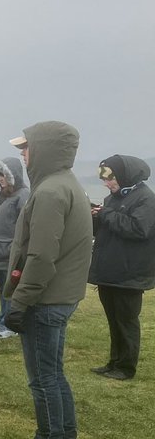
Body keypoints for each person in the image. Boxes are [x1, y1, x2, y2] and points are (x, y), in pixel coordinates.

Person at [0, 121, 93, 439]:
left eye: (27, 147)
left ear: (46, 148)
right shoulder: (66, 185)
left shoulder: (51, 192)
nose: (23, 154)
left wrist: (20, 302)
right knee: (54, 375)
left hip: (45, 300)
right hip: (57, 296)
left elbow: (40, 256)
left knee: (43, 379)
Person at [87, 155, 155, 380]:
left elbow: (138, 229)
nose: (107, 184)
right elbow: (108, 230)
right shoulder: (112, 199)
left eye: (109, 178)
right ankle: (114, 362)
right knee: (114, 321)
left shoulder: (146, 199)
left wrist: (105, 214)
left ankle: (126, 368)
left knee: (126, 322)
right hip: (110, 272)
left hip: (130, 274)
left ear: (124, 175)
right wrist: (96, 217)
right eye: (104, 179)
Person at [0, 156, 29, 338]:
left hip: (10, 252)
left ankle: (10, 325)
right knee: (2, 288)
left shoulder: (23, 195)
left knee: (10, 289)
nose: (0, 179)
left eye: (3, 175)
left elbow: (24, 225)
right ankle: (2, 319)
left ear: (13, 175)